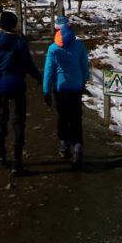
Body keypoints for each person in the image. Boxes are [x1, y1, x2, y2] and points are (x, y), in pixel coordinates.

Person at [0, 11, 42, 175]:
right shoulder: (20, 42)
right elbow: (28, 65)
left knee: (2, 119)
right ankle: (16, 161)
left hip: (1, 86)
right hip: (17, 86)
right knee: (18, 122)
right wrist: (39, 77)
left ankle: (0, 152)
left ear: (1, 24)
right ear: (14, 24)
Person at [43, 24, 91, 169]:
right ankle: (77, 146)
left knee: (63, 116)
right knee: (76, 118)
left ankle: (64, 144)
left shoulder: (53, 48)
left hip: (60, 89)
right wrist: (82, 83)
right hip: (76, 88)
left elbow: (49, 71)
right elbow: (85, 68)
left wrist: (46, 90)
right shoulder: (79, 46)